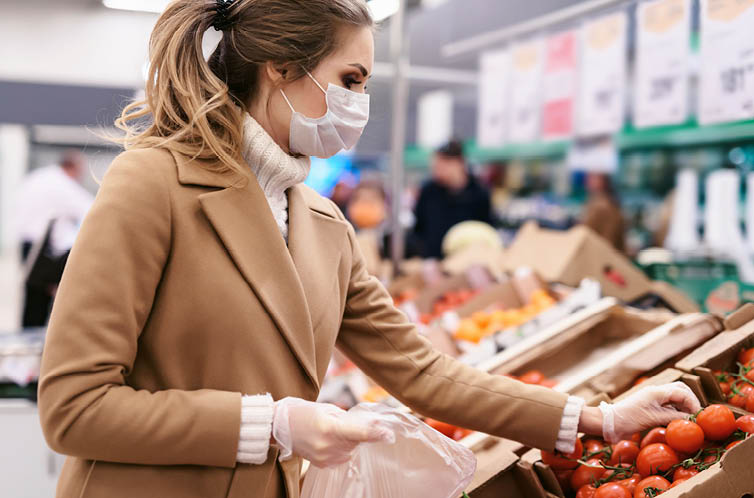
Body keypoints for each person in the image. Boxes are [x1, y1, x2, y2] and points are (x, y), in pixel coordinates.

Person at [37, 2, 700, 498]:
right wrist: (274, 425)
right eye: (350, 79)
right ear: (282, 68)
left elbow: (423, 372)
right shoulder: (154, 183)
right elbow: (74, 407)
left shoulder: (323, 224)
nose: (360, 102)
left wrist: (598, 416)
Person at [14, 149, 94, 327]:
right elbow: (91, 210)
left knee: (32, 296)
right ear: (74, 168)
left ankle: (29, 332)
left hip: (27, 243)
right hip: (45, 249)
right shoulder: (62, 184)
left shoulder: (37, 178)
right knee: (46, 298)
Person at [412, 139, 493, 259]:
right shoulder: (428, 192)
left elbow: (486, 230)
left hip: (468, 261)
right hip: (433, 262)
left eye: (442, 164)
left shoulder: (479, 193)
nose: (437, 170)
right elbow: (419, 229)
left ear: (458, 163)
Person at [582, 172, 626, 252]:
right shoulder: (595, 202)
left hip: (604, 256)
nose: (587, 180)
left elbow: (608, 240)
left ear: (603, 181)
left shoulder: (604, 206)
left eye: (593, 177)